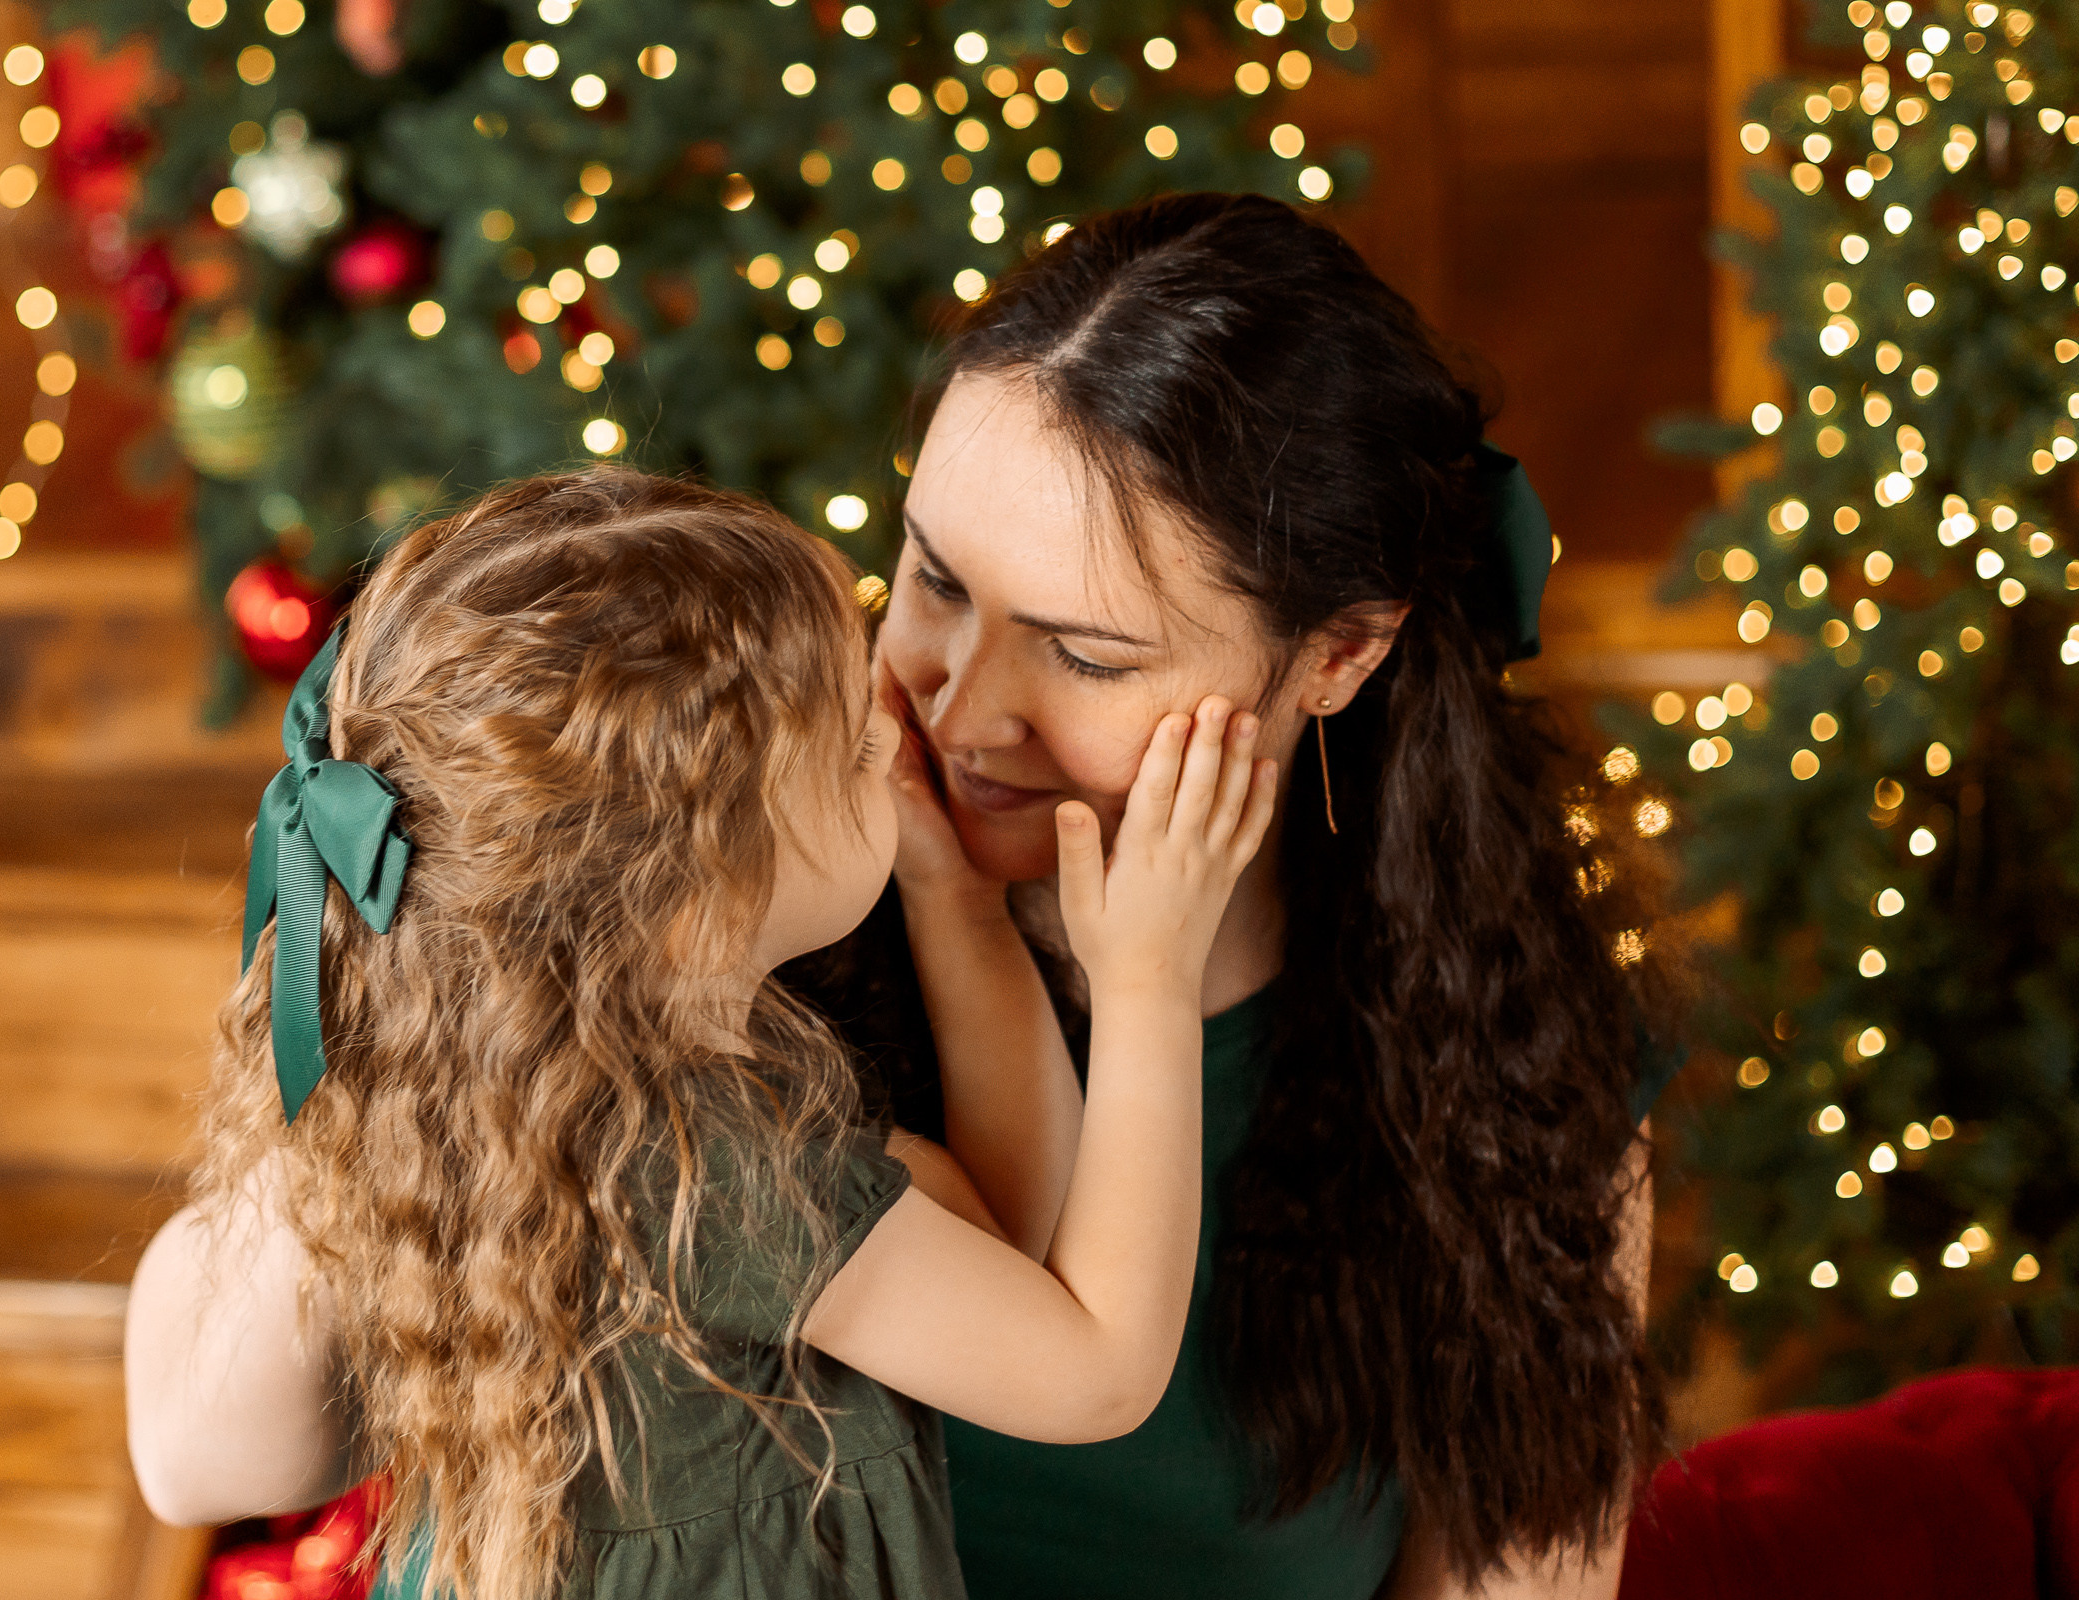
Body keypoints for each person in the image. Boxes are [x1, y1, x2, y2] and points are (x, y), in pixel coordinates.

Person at [120, 469, 1280, 1600]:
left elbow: (990, 1242)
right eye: (853, 753)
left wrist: (954, 902)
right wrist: (1147, 977)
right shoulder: (704, 1163)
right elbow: (1092, 1373)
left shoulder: (517, 1089)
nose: (900, 738)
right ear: (697, 906)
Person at [784, 192, 1684, 1600]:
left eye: (1086, 657)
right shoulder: (746, 942)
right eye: (934, 579)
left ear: (1337, 656)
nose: (961, 708)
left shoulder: (1514, 1080)